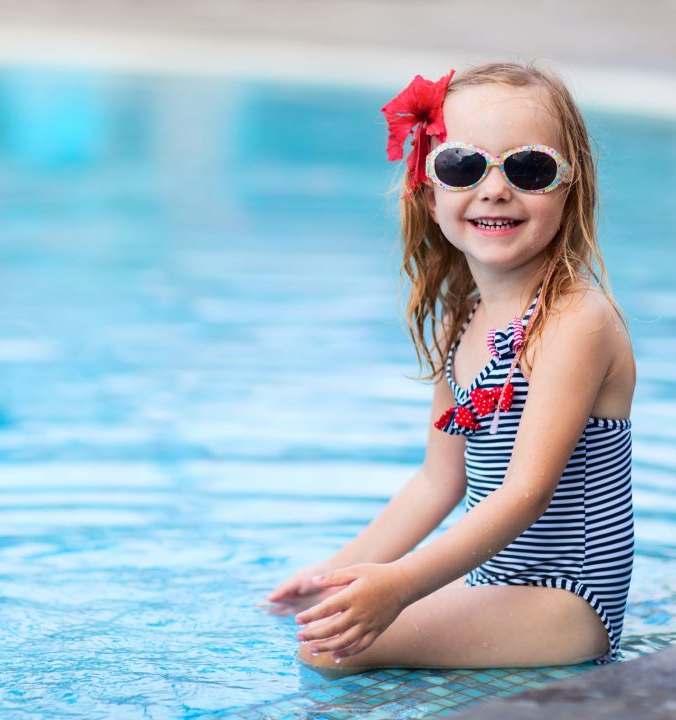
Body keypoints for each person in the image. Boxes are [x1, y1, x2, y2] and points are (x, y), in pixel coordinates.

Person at [263, 62, 636, 675]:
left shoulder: (577, 321)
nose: (494, 189)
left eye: (530, 168)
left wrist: (401, 585)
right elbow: (439, 482)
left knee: (327, 649)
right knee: (322, 615)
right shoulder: (458, 323)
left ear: (571, 188)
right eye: (463, 165)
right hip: (494, 582)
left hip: (568, 601)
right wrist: (337, 573)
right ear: (429, 190)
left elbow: (526, 492)